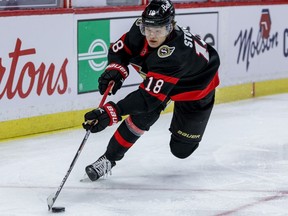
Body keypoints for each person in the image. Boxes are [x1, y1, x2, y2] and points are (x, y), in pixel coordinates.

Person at [82, 0, 220, 181]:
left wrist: (112, 112)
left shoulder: (176, 54)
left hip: (195, 86)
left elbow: (148, 98)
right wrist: (116, 70)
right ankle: (108, 159)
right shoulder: (139, 31)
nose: (152, 35)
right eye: (148, 29)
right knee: (142, 116)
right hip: (163, 77)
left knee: (181, 150)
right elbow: (119, 50)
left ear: (171, 27)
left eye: (159, 30)